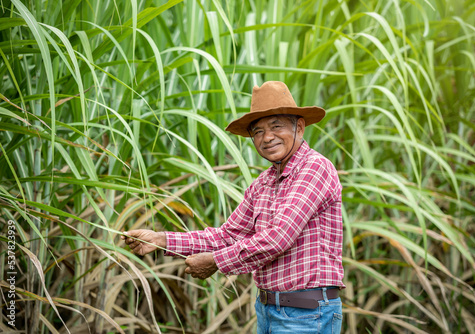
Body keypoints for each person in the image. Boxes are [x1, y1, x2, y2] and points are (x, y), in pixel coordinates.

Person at [121, 81, 344, 333]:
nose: (267, 137)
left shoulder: (315, 168)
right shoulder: (263, 183)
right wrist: (161, 239)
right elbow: (227, 235)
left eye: (276, 126)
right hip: (270, 311)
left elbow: (278, 238)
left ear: (299, 127)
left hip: (306, 315)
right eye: (258, 131)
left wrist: (216, 261)